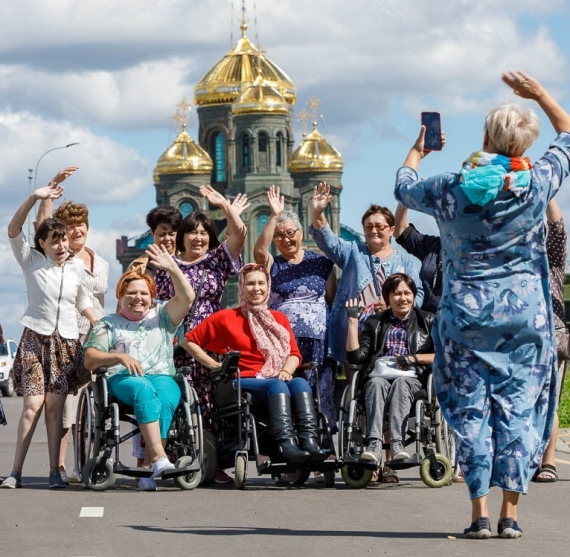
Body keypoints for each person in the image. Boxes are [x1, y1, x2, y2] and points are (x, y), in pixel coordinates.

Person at [394, 70, 570, 539]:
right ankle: (512, 515)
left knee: (472, 411)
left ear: (487, 137)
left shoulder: (451, 187)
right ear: (525, 144)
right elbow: (569, 133)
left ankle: (480, 516)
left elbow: (403, 186)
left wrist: (419, 149)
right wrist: (540, 94)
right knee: (517, 410)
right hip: (525, 317)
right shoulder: (537, 182)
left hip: (466, 317)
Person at [2, 167, 98, 489]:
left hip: (66, 343)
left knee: (55, 408)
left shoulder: (74, 268)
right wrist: (34, 197)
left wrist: (109, 328)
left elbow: (84, 304)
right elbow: (13, 230)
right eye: (53, 241)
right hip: (34, 340)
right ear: (41, 242)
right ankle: (15, 471)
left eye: (63, 241)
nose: (60, 247)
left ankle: (55, 471)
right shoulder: (31, 261)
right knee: (32, 406)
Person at [184, 263, 326, 464]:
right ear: (241, 287)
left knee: (300, 383)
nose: (256, 288)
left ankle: (309, 441)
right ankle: (286, 445)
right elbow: (188, 341)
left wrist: (286, 369)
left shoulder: (279, 319)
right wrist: (213, 365)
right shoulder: (226, 317)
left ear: (268, 286)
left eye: (261, 283)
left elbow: (294, 354)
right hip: (242, 382)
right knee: (277, 384)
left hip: (276, 378)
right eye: (250, 284)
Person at [83, 243, 195, 491]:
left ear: (151, 296)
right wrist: (118, 357)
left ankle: (147, 469)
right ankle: (158, 458)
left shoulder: (162, 316)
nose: (138, 298)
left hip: (160, 374)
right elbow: (90, 358)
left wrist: (172, 267)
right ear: (120, 296)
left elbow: (187, 297)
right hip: (124, 379)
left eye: (144, 293)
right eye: (131, 293)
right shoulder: (108, 323)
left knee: (166, 396)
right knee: (144, 390)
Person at [155, 185, 247, 484]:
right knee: (181, 399)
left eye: (204, 233)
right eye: (192, 232)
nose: (198, 237)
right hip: (176, 340)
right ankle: (175, 456)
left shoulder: (217, 261)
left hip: (211, 339)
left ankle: (213, 461)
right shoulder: (167, 264)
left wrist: (223, 205)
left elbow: (239, 233)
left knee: (213, 401)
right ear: (181, 236)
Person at [309, 185, 423, 370]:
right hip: (355, 332)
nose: (374, 230)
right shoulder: (353, 252)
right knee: (354, 384)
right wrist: (317, 212)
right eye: (368, 226)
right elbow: (327, 240)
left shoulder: (406, 261)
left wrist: (393, 306)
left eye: (380, 226)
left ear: (391, 229)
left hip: (392, 332)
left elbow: (419, 295)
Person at [36, 197, 109, 484]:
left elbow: (101, 296)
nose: (77, 230)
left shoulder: (100, 260)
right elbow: (40, 230)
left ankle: (88, 462)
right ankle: (60, 465)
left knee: (94, 405)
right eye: (71, 226)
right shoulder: (60, 260)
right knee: (67, 406)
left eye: (81, 224)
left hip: (96, 337)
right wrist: (45, 200)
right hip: (69, 336)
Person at [253, 185, 337, 432]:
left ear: (301, 233)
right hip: (284, 342)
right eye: (279, 236)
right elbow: (259, 252)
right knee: (290, 389)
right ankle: (294, 440)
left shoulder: (321, 262)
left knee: (321, 390)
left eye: (290, 233)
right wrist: (274, 217)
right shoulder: (273, 265)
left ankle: (324, 442)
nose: (285, 239)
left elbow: (330, 300)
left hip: (318, 340)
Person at [345, 273, 434, 484]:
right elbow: (356, 357)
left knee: (401, 384)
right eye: (396, 294)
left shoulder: (427, 320)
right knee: (375, 383)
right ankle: (374, 445)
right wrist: (352, 321)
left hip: (411, 377)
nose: (402, 298)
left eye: (407, 293)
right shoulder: (375, 323)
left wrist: (414, 358)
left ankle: (397, 445)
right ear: (388, 297)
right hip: (380, 376)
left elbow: (442, 356)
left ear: (413, 295)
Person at [533, 198, 569, 482]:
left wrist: (547, 192)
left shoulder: (551, 261)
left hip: (551, 338)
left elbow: (557, 229)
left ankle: (548, 462)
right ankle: (529, 459)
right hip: (518, 340)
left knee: (549, 403)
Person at [394, 203, 442, 313]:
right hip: (423, 323)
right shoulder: (434, 246)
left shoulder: (478, 252)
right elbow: (400, 231)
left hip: (455, 326)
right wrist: (404, 196)